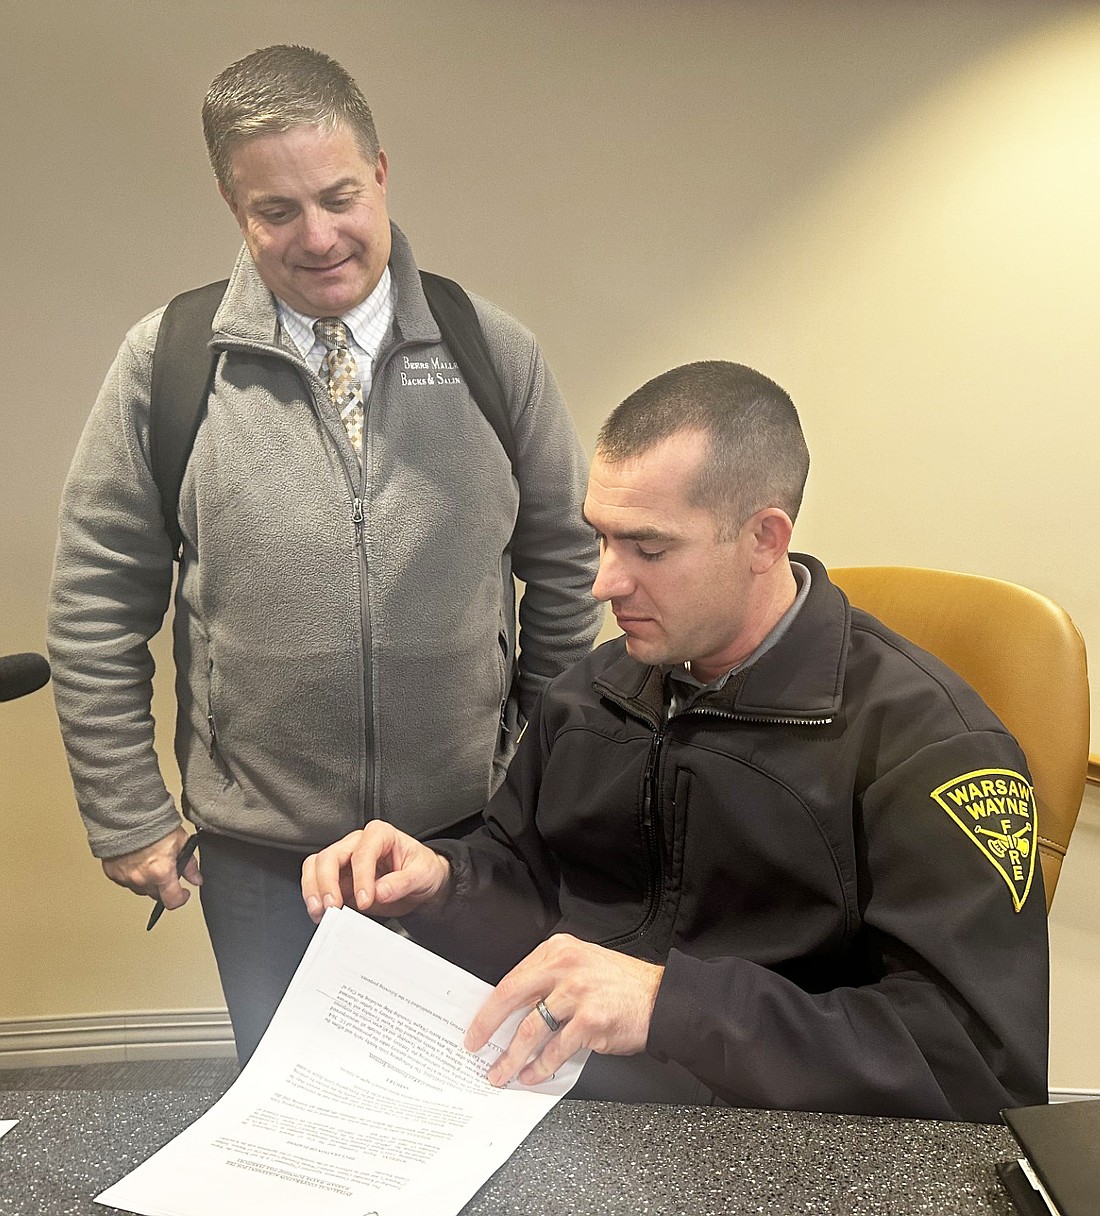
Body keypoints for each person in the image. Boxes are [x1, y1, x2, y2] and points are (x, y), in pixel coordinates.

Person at [301, 360, 1049, 1122]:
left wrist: (671, 1004)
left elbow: (972, 1065)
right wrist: (444, 881)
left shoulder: (927, 745)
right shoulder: (592, 695)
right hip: (564, 1113)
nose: (604, 583)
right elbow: (533, 883)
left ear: (764, 538)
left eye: (648, 550)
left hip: (774, 1144)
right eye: (600, 540)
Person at [47, 45, 600, 1065]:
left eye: (339, 195)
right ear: (232, 203)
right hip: (265, 863)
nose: (319, 236)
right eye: (276, 211)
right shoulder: (167, 365)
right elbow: (94, 605)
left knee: (482, 1096)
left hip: (470, 844)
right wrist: (127, 813)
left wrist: (538, 773)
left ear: (380, 173)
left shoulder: (490, 349)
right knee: (299, 1113)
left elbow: (566, 567)